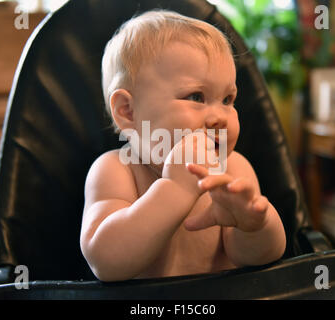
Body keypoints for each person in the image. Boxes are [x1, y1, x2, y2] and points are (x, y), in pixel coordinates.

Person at [80, 10, 286, 282]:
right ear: (128, 111)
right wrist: (175, 190)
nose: (220, 117)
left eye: (227, 99)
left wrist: (254, 226)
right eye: (197, 96)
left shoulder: (234, 170)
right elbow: (105, 262)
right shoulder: (116, 171)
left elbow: (255, 259)